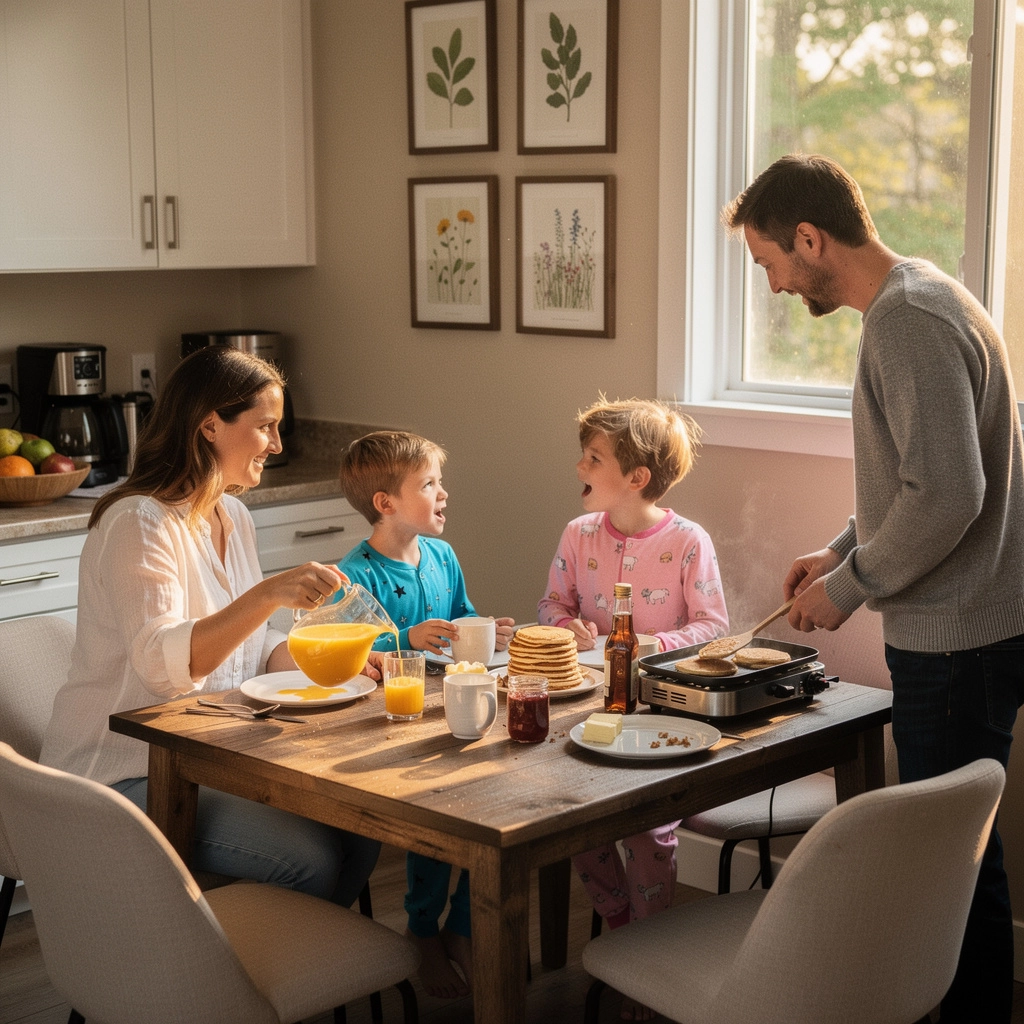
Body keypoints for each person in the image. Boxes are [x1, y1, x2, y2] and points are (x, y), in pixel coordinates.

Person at [723, 153, 1024, 1024]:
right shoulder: (927, 296)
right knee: (959, 859)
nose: (776, 286)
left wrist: (850, 587)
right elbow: (920, 478)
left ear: (809, 238)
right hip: (973, 632)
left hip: (958, 644)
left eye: (771, 263)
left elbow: (951, 495)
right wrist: (839, 550)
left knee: (951, 868)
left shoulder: (906, 321)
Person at [40, 345, 380, 909]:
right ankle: (224, 962)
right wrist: (268, 593)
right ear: (209, 426)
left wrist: (340, 664)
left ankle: (288, 958)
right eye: (265, 426)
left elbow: (252, 647)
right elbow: (162, 664)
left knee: (362, 829)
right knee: (308, 860)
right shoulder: (138, 522)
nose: (277, 443)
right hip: (122, 774)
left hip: (207, 757)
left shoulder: (233, 515)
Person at [538, 396, 729, 1022]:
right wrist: (566, 627)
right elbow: (553, 605)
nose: (579, 467)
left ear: (637, 477)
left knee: (648, 831)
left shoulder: (688, 542)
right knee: (571, 821)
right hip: (590, 708)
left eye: (593, 458)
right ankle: (619, 927)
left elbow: (713, 627)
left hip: (662, 716)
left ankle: (647, 960)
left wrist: (650, 645)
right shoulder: (578, 534)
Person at [337, 429, 515, 999]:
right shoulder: (356, 575)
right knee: (433, 827)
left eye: (440, 482)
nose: (443, 494)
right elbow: (348, 654)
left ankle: (462, 926)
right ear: (385, 502)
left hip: (457, 707)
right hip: (393, 724)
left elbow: (460, 616)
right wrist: (405, 639)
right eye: (429, 484)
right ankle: (422, 931)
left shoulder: (443, 556)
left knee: (481, 812)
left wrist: (486, 630)